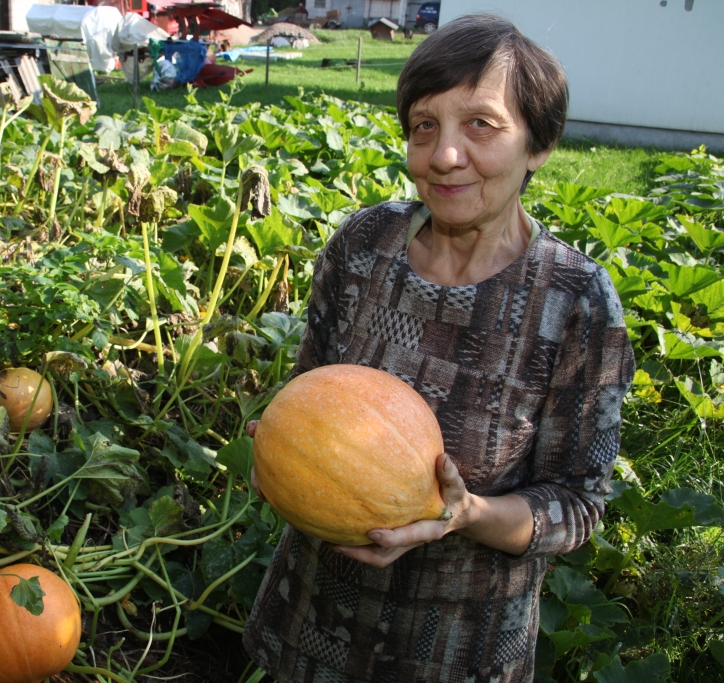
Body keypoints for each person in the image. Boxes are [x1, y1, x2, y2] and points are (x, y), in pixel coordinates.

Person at [242, 14, 635, 683]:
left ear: (537, 145)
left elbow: (578, 504)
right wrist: (276, 451)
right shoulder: (364, 246)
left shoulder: (576, 302)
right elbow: (308, 395)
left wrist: (467, 515)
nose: (445, 154)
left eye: (480, 124)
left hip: (458, 652)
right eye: (425, 125)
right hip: (309, 627)